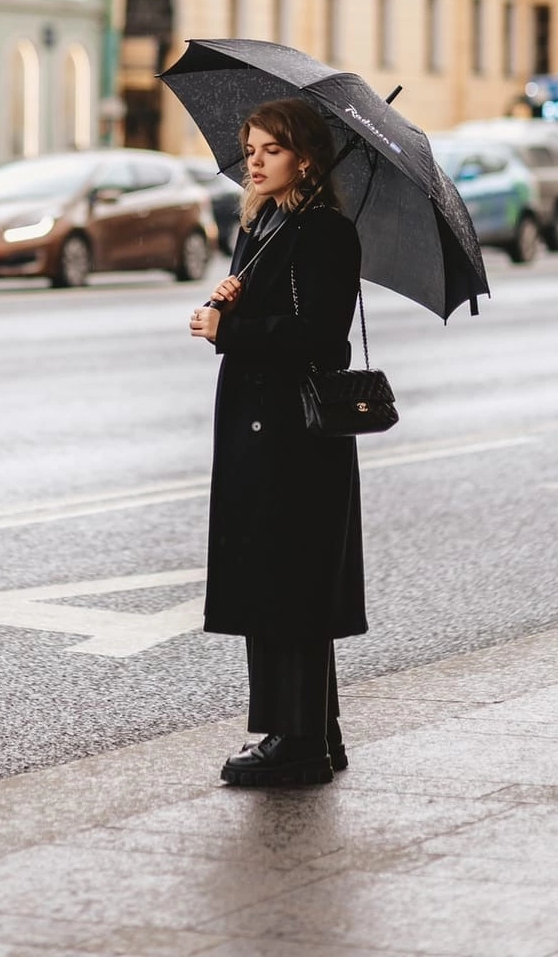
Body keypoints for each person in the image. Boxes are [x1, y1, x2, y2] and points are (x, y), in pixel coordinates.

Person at [189, 97, 365, 787]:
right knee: (277, 579)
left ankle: (294, 744)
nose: (254, 162)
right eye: (251, 149)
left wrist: (230, 333)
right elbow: (270, 317)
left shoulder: (324, 233)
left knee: (288, 583)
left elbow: (321, 337)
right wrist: (226, 306)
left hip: (294, 435)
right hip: (259, 429)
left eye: (271, 150)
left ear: (306, 158)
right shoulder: (264, 226)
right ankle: (317, 730)